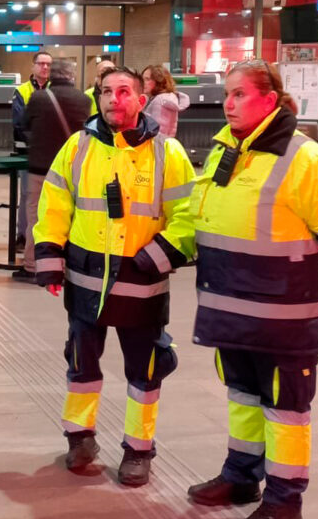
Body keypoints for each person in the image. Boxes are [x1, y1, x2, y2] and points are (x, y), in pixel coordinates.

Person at [186, 60, 318, 519]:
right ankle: (241, 476)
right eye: (228, 94)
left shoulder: (307, 159)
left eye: (240, 94)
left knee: (286, 409)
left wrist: (286, 272)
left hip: (283, 314)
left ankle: (284, 500)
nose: (228, 103)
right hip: (231, 309)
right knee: (242, 396)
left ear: (271, 99)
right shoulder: (226, 150)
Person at [34, 67, 196, 487]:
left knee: (145, 372)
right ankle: (79, 437)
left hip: (142, 283)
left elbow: (189, 216)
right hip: (85, 282)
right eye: (106, 91)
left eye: (124, 91)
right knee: (81, 365)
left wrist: (157, 256)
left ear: (141, 99)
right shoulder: (78, 146)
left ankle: (139, 450)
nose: (114, 100)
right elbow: (54, 204)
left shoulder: (168, 153)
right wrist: (49, 255)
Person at [11, 59, 87, 284]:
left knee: (37, 217)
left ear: (52, 75)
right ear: (71, 75)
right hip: (71, 170)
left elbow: (24, 125)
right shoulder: (83, 99)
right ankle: (64, 266)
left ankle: (33, 266)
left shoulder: (39, 98)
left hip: (40, 168)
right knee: (69, 217)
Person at [11, 51, 53, 251]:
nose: (45, 67)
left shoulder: (56, 90)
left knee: (51, 195)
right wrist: (38, 141)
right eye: (41, 63)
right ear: (33, 66)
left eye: (48, 64)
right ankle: (23, 235)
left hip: (53, 154)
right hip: (29, 152)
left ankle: (44, 236)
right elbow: (19, 123)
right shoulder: (22, 91)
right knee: (27, 195)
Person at [142, 65, 190, 137]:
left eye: (147, 79)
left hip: (156, 146)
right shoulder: (169, 97)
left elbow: (154, 131)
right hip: (166, 144)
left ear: (159, 81)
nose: (143, 82)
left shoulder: (159, 101)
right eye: (142, 79)